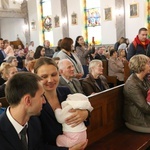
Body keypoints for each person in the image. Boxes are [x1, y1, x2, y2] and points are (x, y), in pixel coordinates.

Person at [34, 57, 88, 150]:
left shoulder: (65, 91)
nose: (50, 80)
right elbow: (37, 145)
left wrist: (85, 114)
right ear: (36, 77)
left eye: (54, 74)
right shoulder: (35, 103)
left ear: (59, 73)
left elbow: (82, 121)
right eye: (44, 76)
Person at [0, 72, 54, 150]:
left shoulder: (34, 122)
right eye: (41, 96)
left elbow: (40, 147)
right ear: (28, 100)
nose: (44, 101)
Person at [123, 54, 150, 133]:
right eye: (148, 63)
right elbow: (145, 108)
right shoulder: (132, 84)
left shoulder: (143, 78)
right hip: (138, 120)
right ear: (141, 66)